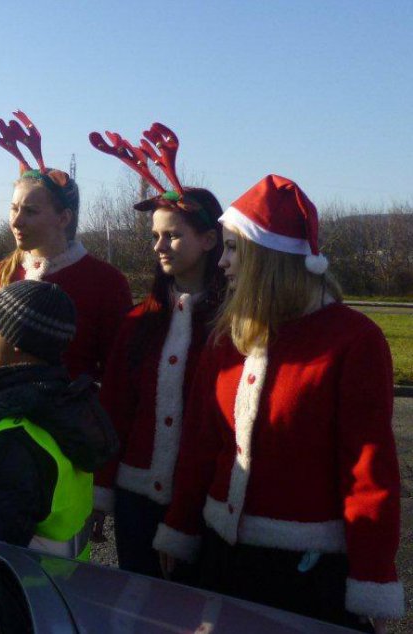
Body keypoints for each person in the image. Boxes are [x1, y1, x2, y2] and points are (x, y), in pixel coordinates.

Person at [154, 175, 403, 631]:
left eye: (233, 250)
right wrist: (180, 527)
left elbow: (368, 468)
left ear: (268, 259)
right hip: (220, 555)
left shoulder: (353, 339)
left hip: (304, 572)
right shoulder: (228, 336)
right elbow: (200, 447)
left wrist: (371, 576)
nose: (222, 263)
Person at [0, 110, 131, 473]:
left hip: (66, 450)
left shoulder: (105, 283)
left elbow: (115, 382)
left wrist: (103, 472)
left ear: (64, 218)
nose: (16, 221)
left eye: (30, 211)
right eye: (13, 208)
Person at [88, 123, 224, 578]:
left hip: (205, 503)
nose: (160, 247)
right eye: (155, 236)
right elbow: (116, 409)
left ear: (209, 240)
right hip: (136, 496)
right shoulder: (139, 322)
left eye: (173, 235)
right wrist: (101, 492)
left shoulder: (232, 326)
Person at [0, 280, 118, 560]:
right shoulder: (60, 407)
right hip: (57, 587)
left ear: (16, 342)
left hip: (17, 593)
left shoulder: (15, 438)